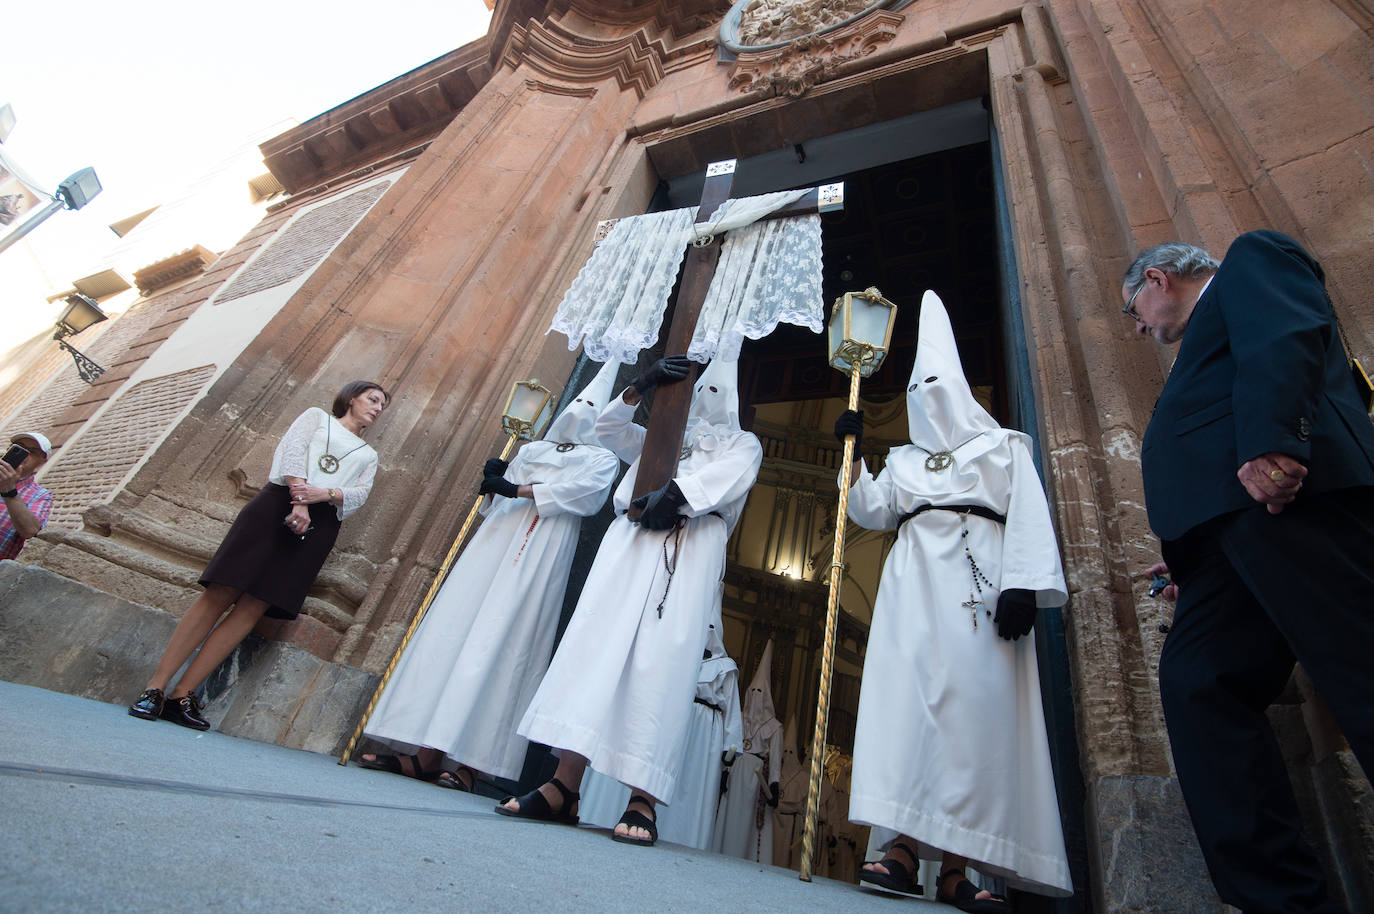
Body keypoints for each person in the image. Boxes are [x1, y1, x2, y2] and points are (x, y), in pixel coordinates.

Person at [1123, 231, 1374, 914]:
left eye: (1133, 309)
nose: (1139, 325)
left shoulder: (1251, 260)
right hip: (1226, 545)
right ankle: (1283, 903)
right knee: (1197, 686)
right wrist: (1189, 552)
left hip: (1292, 504)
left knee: (1360, 665)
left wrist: (1275, 440)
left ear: (1160, 278)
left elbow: (1286, 332)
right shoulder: (1200, 344)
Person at [839, 291, 1072, 910]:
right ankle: (901, 849)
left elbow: (1028, 515)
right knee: (911, 710)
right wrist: (855, 457)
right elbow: (872, 511)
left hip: (979, 588)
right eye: (920, 387)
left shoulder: (1003, 448)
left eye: (939, 384)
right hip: (912, 589)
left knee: (971, 718)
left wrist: (1023, 583)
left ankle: (957, 867)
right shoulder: (905, 462)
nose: (930, 397)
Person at [498, 356, 762, 849]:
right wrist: (641, 387)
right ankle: (564, 783)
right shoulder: (662, 433)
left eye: (716, 394)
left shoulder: (743, 443)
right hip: (629, 539)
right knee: (594, 648)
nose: (707, 404)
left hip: (689, 546)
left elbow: (727, 479)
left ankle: (643, 797)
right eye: (700, 392)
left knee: (661, 664)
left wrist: (678, 493)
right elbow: (609, 428)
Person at [356, 362, 621, 788]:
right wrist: (495, 482)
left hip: (541, 549)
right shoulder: (533, 449)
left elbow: (584, 498)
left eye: (591, 404)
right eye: (578, 402)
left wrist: (517, 489)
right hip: (496, 543)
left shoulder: (603, 459)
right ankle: (424, 753)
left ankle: (470, 764)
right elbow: (502, 495)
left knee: (504, 642)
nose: (580, 410)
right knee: (456, 629)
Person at [128, 381, 388, 730]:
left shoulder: (369, 455)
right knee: (221, 590)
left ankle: (182, 695)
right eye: (372, 399)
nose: (377, 407)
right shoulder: (315, 418)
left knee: (255, 604)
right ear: (351, 397)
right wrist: (301, 499)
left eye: (382, 405)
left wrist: (321, 493)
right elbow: (291, 451)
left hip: (319, 523)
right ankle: (155, 687)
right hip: (278, 503)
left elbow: (359, 494)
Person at [577, 623, 742, 849]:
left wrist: (730, 748)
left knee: (688, 784)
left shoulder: (725, 668)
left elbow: (732, 711)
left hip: (703, 736)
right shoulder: (673, 651)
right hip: (671, 715)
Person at [713, 638, 781, 862]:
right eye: (754, 691)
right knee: (730, 817)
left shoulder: (774, 727)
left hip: (757, 777)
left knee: (751, 823)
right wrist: (725, 770)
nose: (756, 696)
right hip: (736, 772)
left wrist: (774, 784)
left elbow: (776, 756)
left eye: (761, 692)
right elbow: (730, 744)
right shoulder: (739, 717)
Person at [0, 431, 54, 561]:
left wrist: (10, 492)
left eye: (33, 451)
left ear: (43, 461)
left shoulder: (41, 496)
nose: (24, 454)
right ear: (8, 449)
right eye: (18, 447)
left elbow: (30, 531)